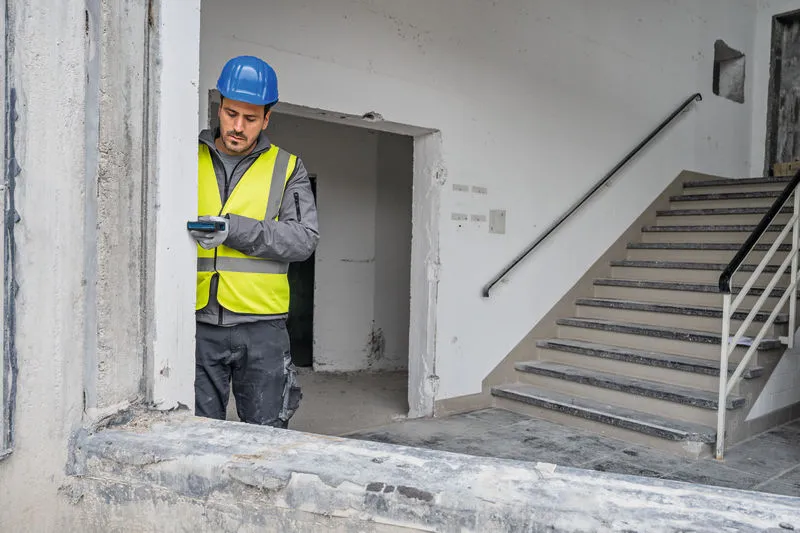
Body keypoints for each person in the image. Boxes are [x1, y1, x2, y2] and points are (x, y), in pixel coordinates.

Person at [188, 55, 319, 428]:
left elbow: (304, 239)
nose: (237, 127)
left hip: (262, 328)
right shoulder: (185, 157)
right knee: (196, 435)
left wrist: (235, 230)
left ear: (266, 119)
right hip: (197, 322)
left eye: (249, 118)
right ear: (220, 107)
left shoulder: (288, 167)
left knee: (266, 441)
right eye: (231, 114)